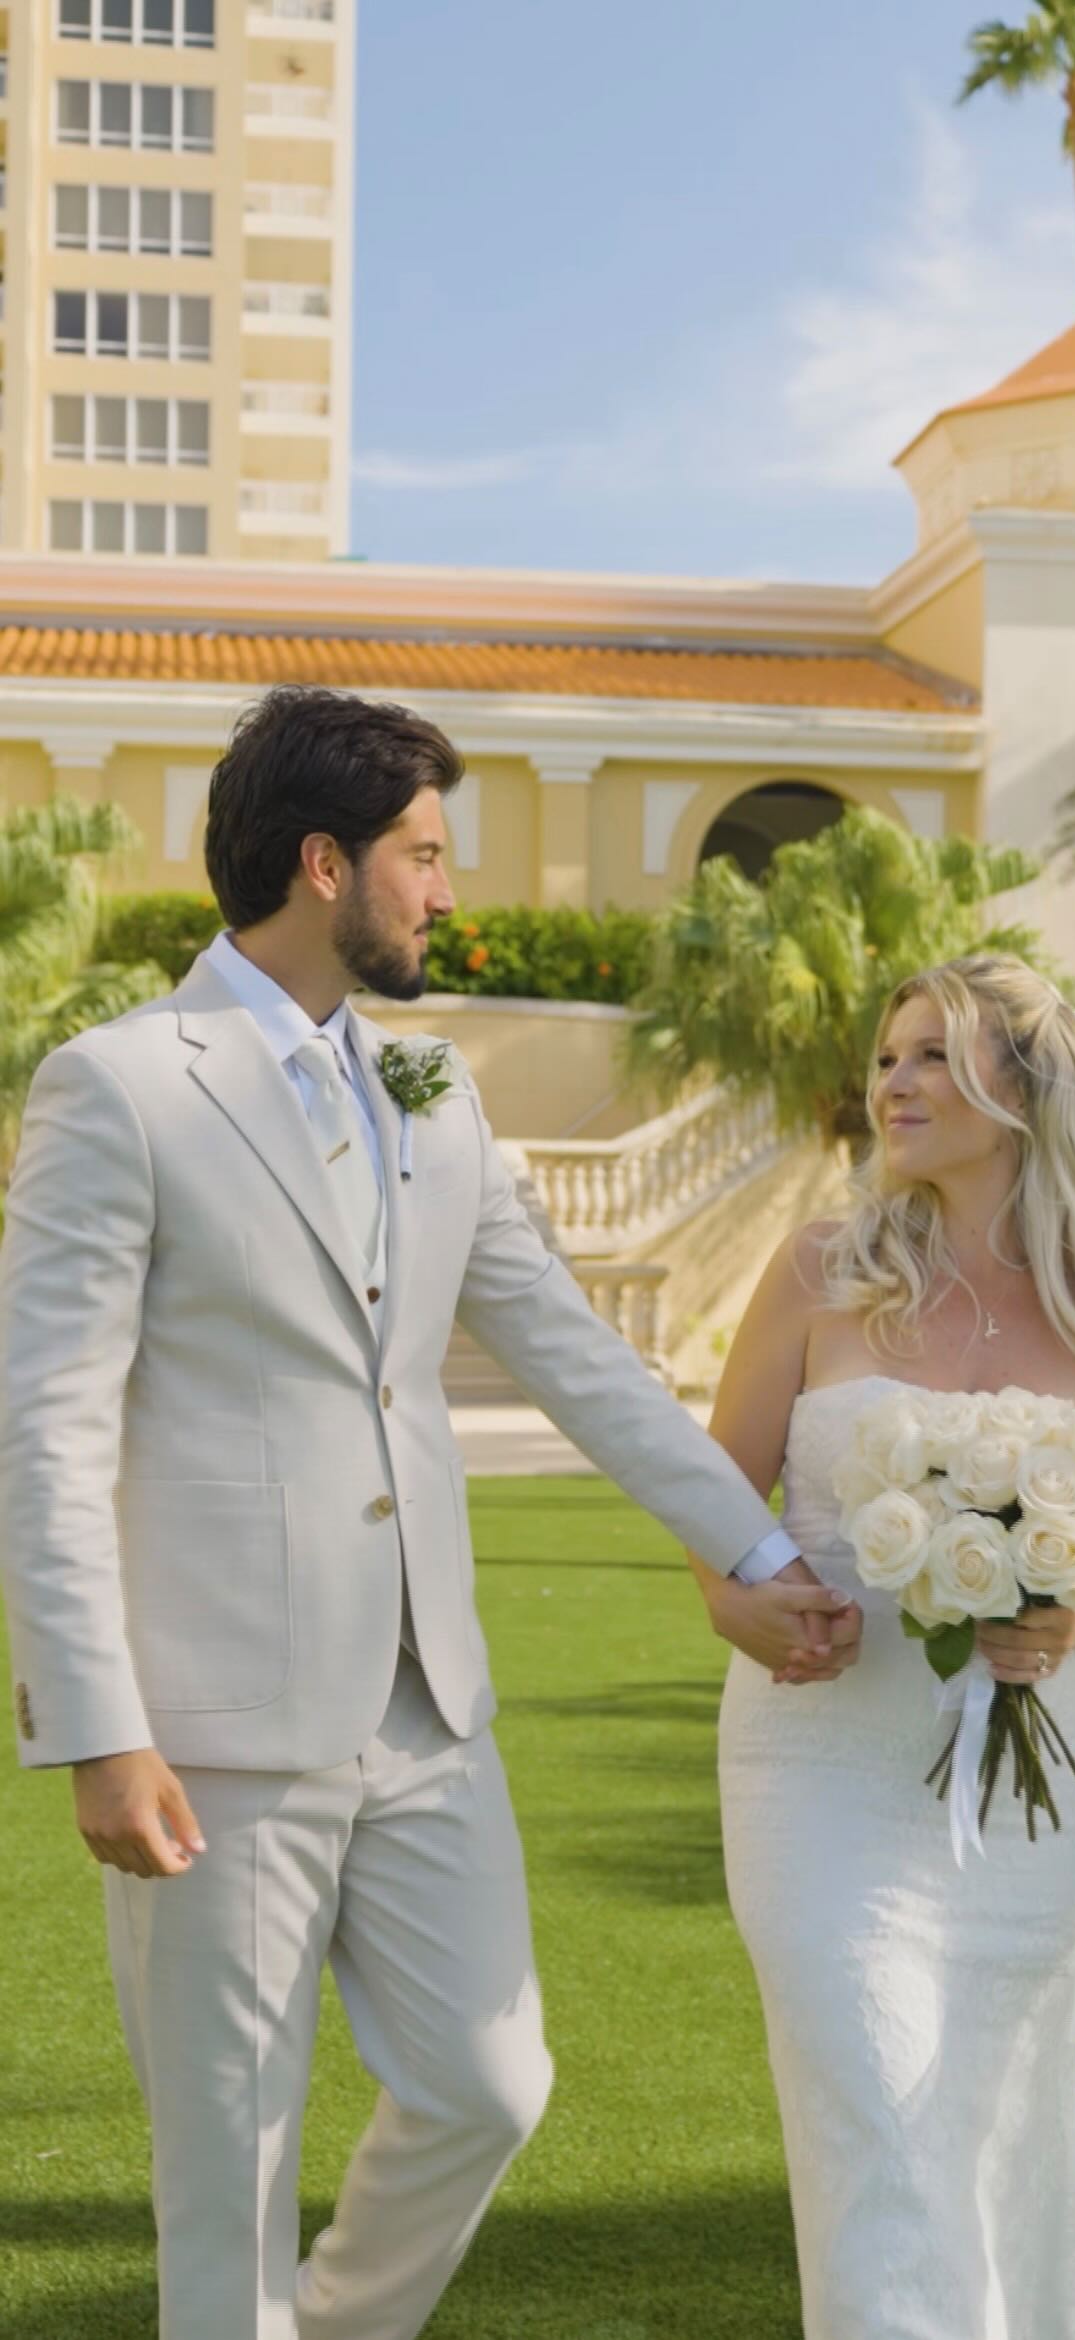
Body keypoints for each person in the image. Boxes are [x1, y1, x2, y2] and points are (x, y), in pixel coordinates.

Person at [0, 685, 859, 2340]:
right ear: (324, 865)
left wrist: (754, 1548)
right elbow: (44, 1428)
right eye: (423, 854)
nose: (445, 892)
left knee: (490, 2081)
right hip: (217, 1726)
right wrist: (99, 1728)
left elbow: (579, 1359)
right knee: (226, 2172)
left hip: (430, 1708)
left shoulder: (431, 1090)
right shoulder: (117, 1088)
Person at [690, 954, 1075, 2340]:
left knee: (987, 2104)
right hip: (820, 1755)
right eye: (887, 1055)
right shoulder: (816, 1270)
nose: (891, 1083)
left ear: (1023, 1091)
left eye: (929, 1056)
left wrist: (1073, 1618)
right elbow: (717, 1493)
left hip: (1045, 1781)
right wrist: (728, 1596)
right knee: (869, 2074)